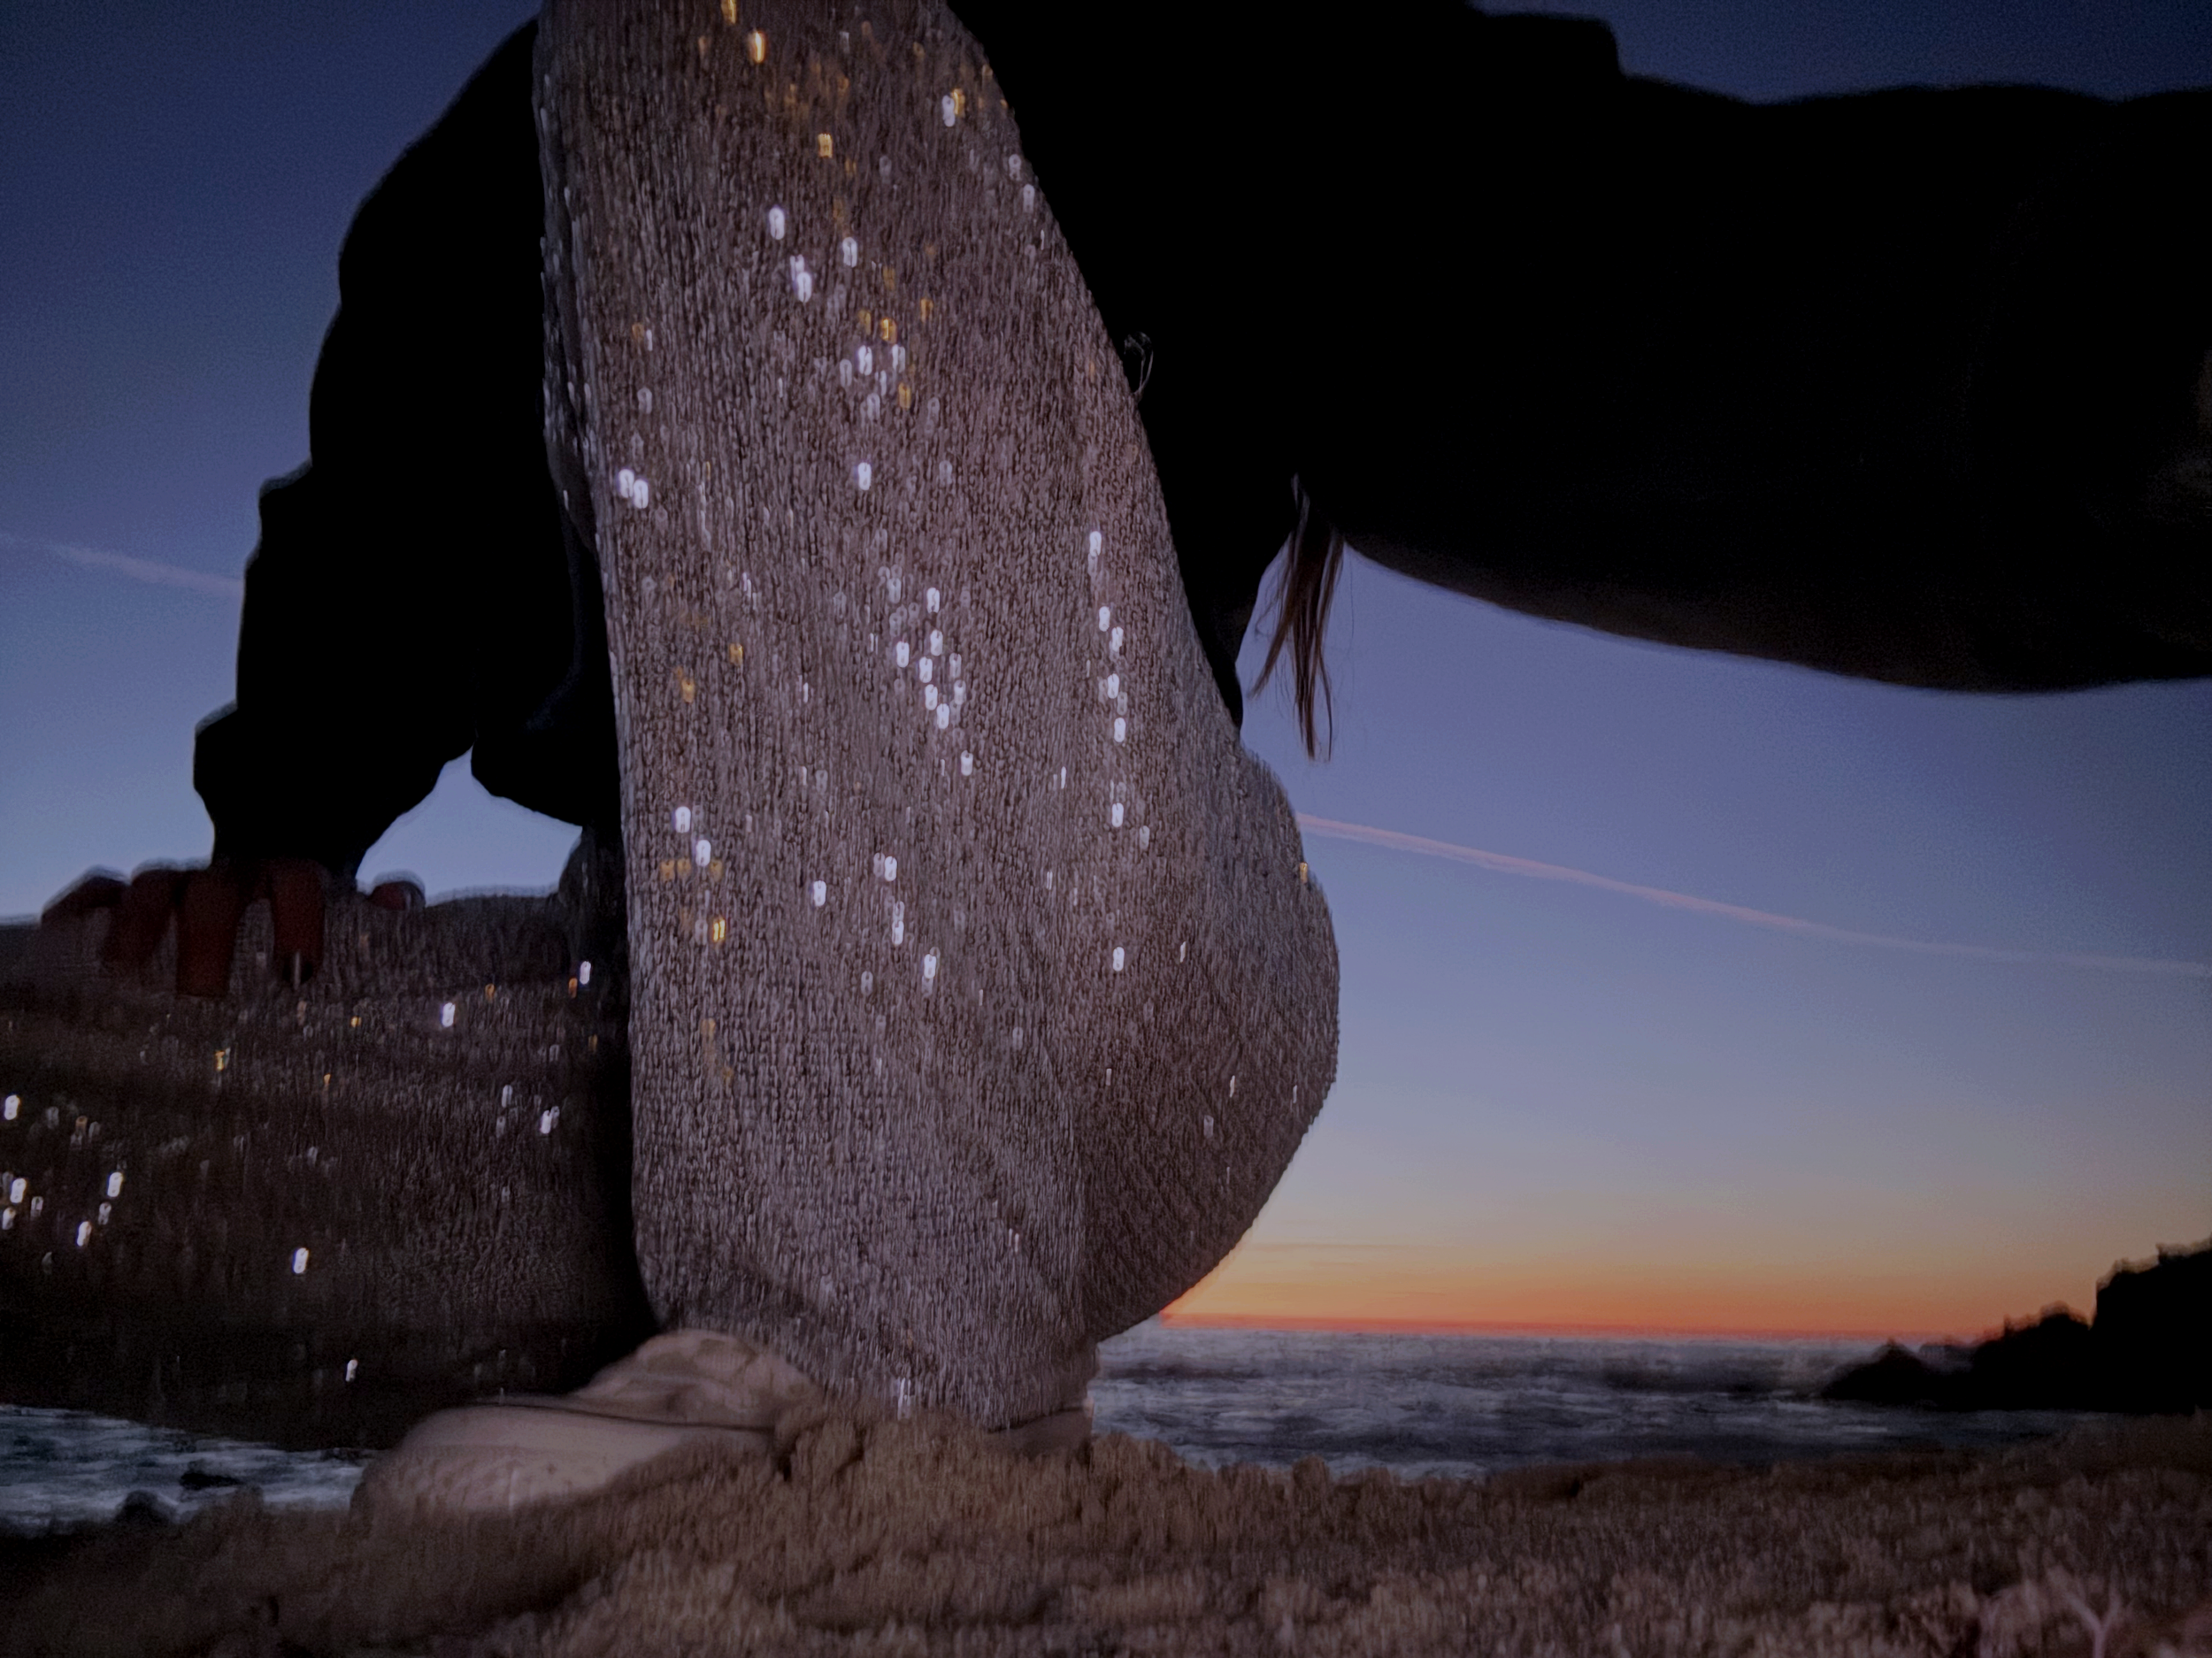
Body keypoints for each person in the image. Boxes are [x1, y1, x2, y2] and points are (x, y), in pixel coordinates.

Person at [35, 0, 2208, 1510]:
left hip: (1134, 1007)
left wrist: (2141, 368)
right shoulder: (525, 146)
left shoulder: (1250, 54)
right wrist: (278, 829)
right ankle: (774, 1309)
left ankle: (870, 1379)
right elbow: (395, 484)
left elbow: (1647, 289)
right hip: (679, 1049)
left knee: (724, 20)